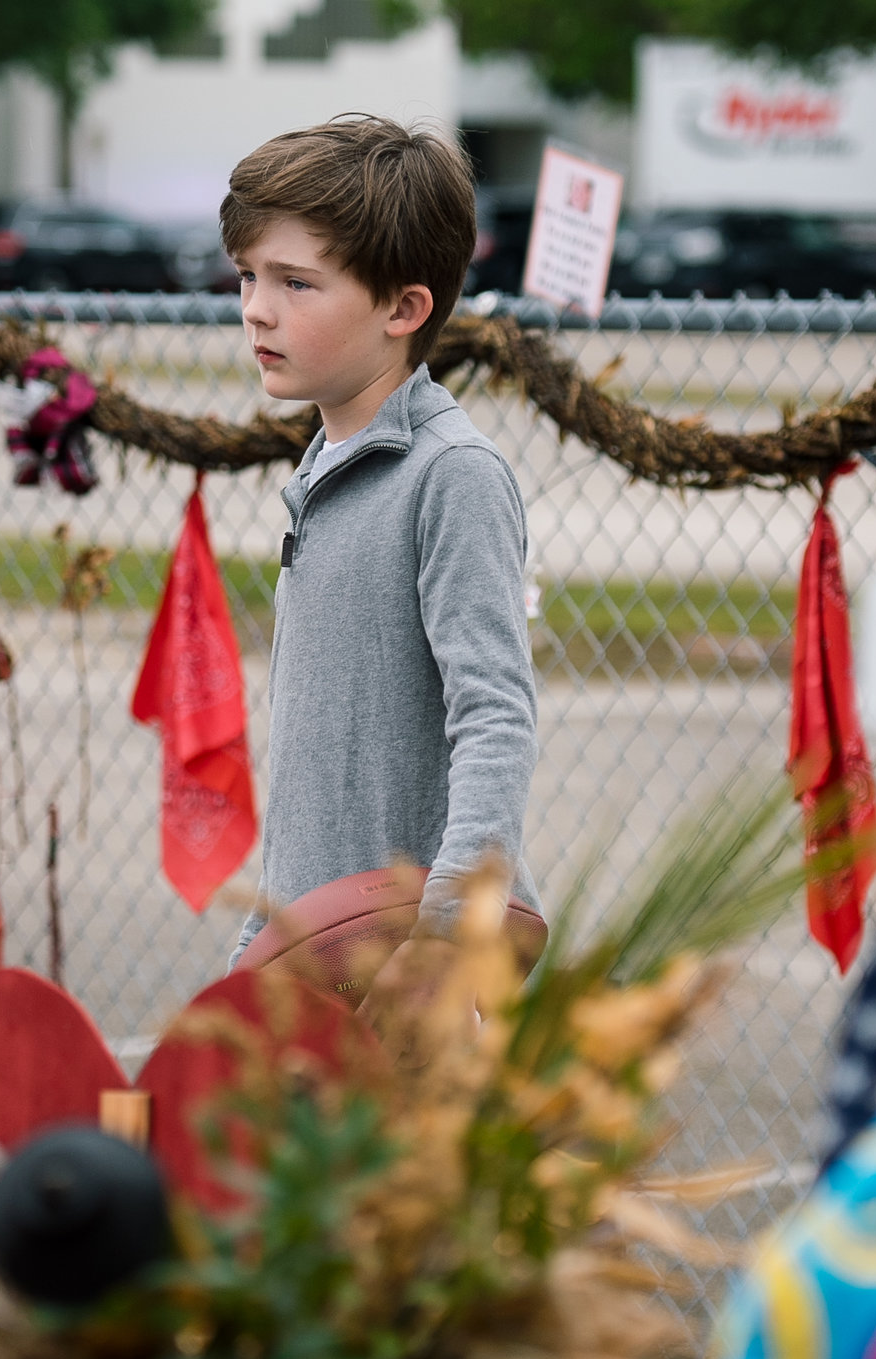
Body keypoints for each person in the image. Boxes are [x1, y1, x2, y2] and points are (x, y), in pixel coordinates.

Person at [223, 115, 542, 998]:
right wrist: (262, 938)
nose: (256, 306)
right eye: (249, 275)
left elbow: (496, 717)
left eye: (296, 282)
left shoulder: (453, 475)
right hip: (307, 948)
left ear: (404, 309)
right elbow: (313, 782)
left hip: (406, 968)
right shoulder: (325, 465)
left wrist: (443, 947)